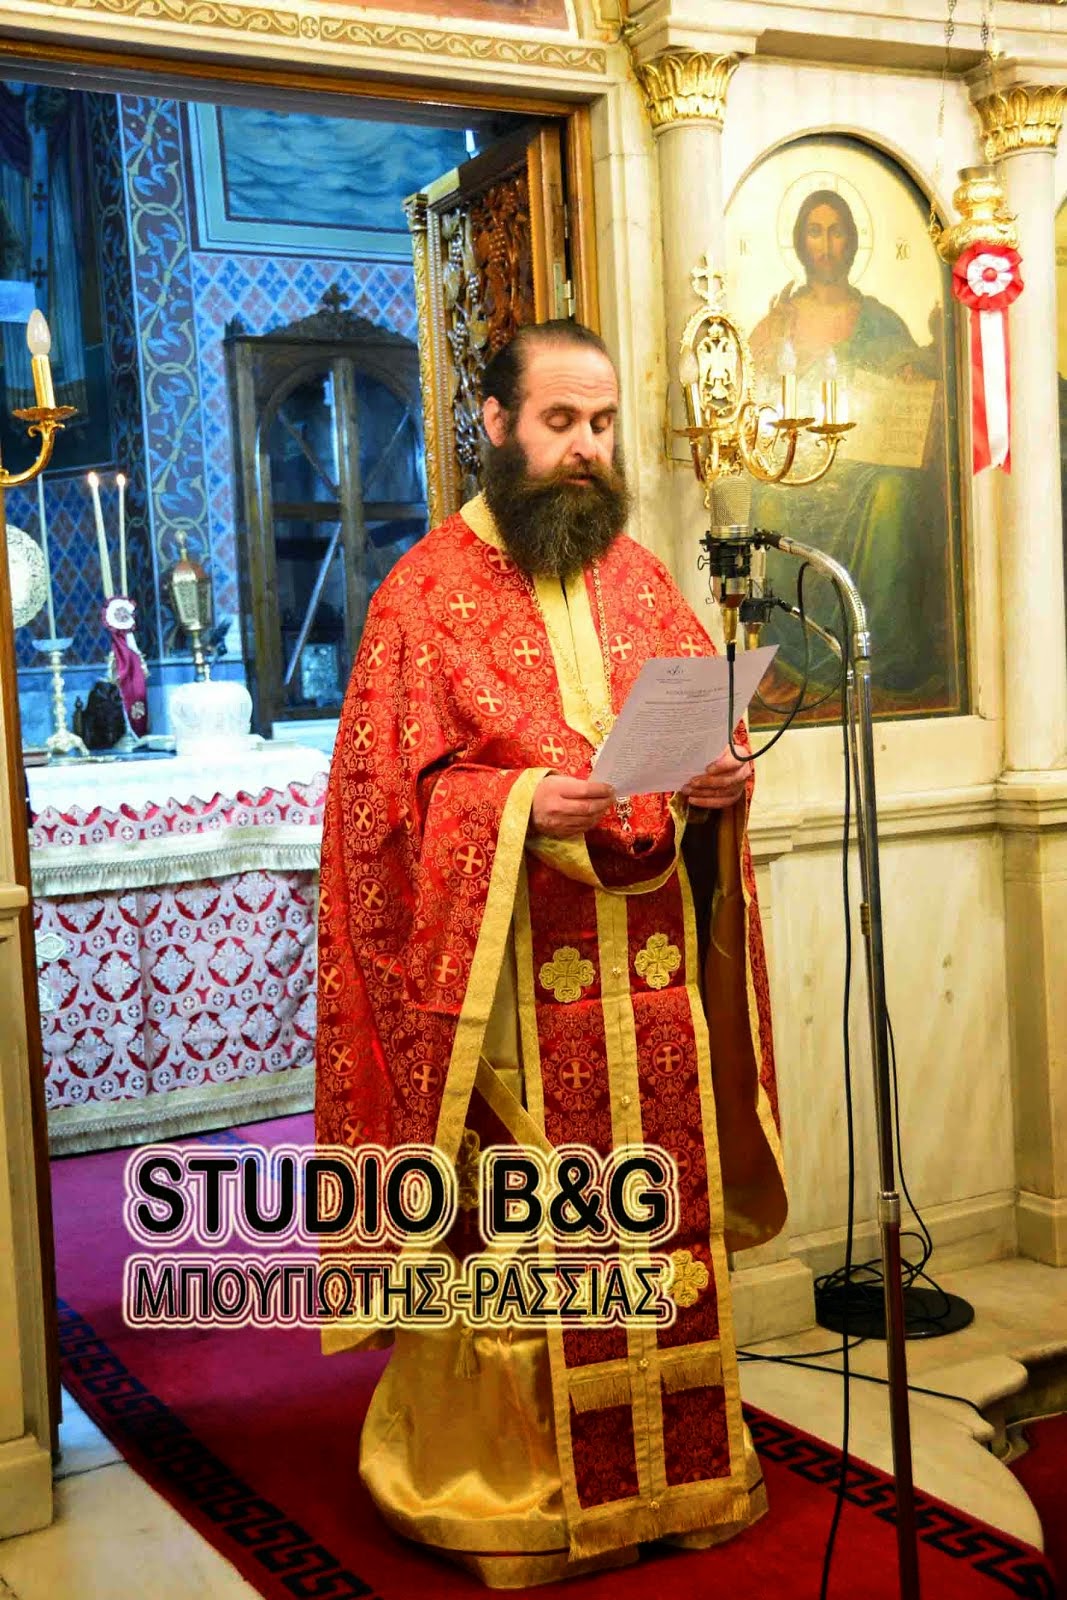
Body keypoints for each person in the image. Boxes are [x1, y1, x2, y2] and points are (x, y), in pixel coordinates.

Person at [315, 320, 787, 1588]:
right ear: (496, 425)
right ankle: (522, 1488)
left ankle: (679, 1470)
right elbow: (378, 820)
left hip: (652, 990)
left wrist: (721, 785)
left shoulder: (640, 580)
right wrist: (518, 806)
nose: (586, 449)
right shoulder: (422, 595)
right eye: (560, 422)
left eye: (602, 423)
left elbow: (694, 743)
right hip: (512, 1002)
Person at [748, 188, 953, 711]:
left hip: (867, 469)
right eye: (815, 231)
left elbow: (918, 388)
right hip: (800, 470)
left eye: (835, 231)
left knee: (895, 494)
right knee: (768, 503)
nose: (825, 244)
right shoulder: (779, 322)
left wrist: (919, 365)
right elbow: (752, 403)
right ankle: (788, 661)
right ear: (800, 241)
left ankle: (880, 656)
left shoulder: (879, 319)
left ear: (853, 240)